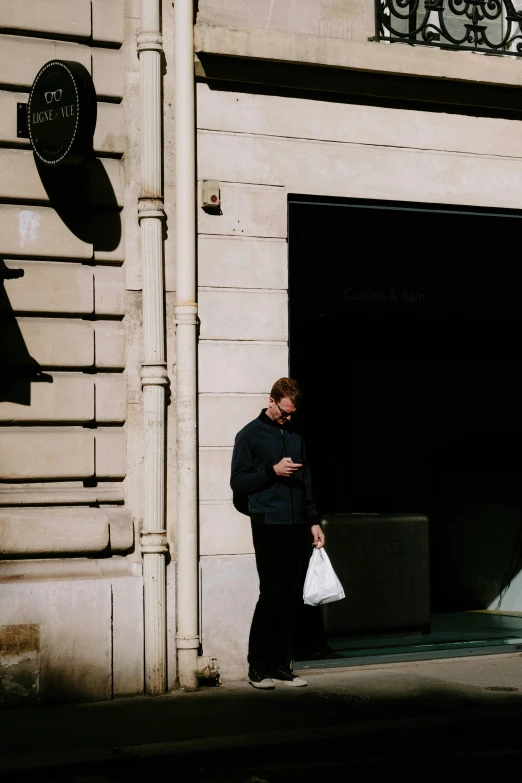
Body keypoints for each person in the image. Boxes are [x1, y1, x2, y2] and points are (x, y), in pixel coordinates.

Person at [230, 377, 325, 689]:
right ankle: (257, 667)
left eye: (291, 413)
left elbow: (307, 478)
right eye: (284, 412)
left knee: (290, 595)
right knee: (271, 594)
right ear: (271, 401)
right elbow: (238, 482)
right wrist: (272, 472)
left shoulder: (296, 435)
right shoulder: (249, 435)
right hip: (269, 522)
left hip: (297, 524)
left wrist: (313, 522)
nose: (287, 418)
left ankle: (281, 666)